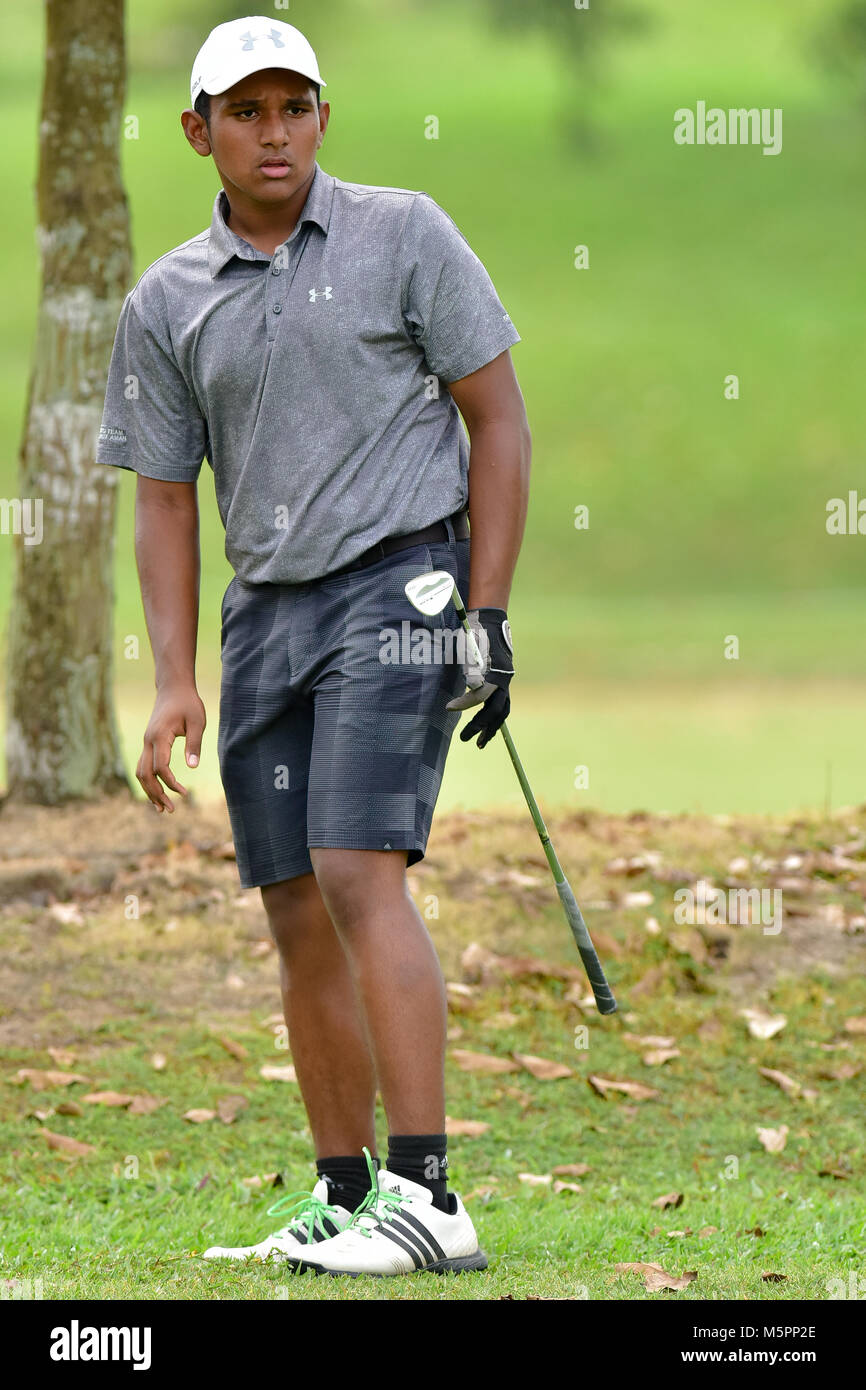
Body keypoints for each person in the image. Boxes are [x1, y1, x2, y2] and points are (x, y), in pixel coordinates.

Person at [97, 15, 531, 1277]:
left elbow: (496, 420)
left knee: (354, 870)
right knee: (291, 899)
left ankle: (429, 1191)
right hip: (266, 611)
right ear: (200, 133)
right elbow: (167, 497)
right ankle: (344, 1193)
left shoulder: (406, 233)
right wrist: (175, 675)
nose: (272, 131)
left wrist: (487, 610)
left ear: (322, 118)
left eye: (293, 106)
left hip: (403, 583)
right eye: (245, 112)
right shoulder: (165, 299)